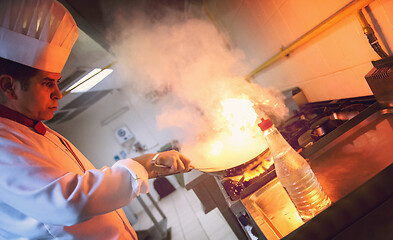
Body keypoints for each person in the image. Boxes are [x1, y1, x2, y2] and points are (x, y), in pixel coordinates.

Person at [0, 0, 191, 239]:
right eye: (48, 83)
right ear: (9, 86)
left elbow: (84, 184)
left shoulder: (37, 131)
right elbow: (70, 201)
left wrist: (149, 163)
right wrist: (146, 164)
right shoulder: (4, 144)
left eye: (57, 82)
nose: (58, 93)